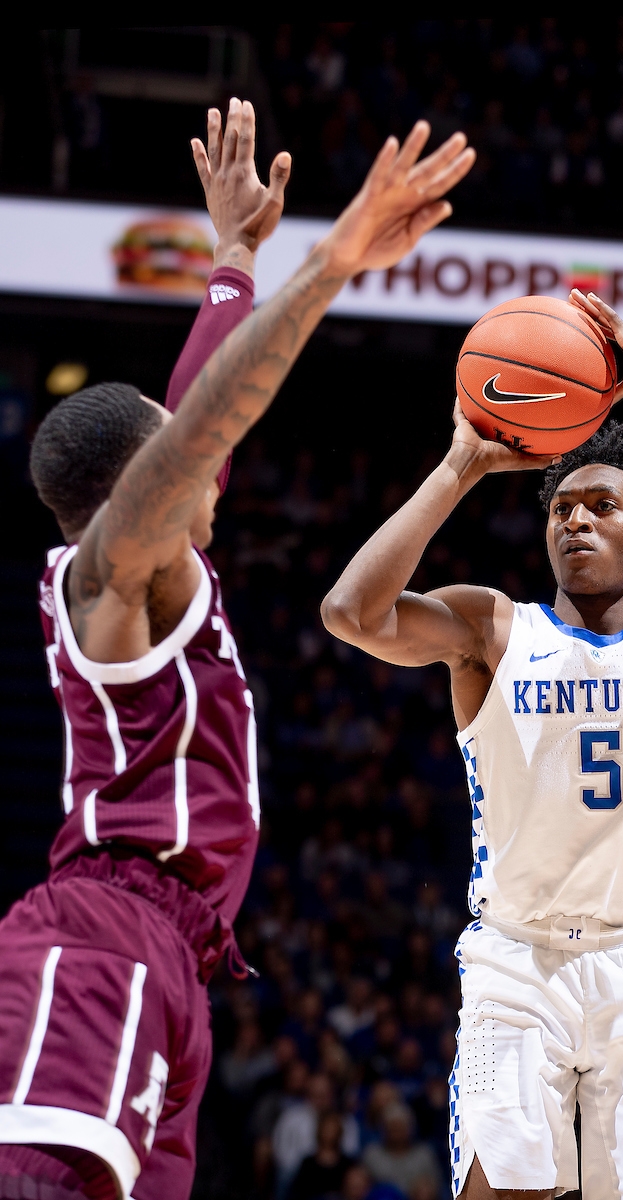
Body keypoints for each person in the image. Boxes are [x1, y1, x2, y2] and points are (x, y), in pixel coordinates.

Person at [0, 97, 475, 1200]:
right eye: (180, 461)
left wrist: (231, 259)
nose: (212, 465)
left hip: (175, 957)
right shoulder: (107, 582)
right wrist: (332, 263)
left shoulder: (160, 560)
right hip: (101, 939)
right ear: (139, 491)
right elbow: (203, 424)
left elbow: (189, 419)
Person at [321, 289, 623, 1200]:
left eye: (600, 506)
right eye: (560, 507)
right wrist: (459, 467)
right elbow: (351, 613)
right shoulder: (492, 630)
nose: (573, 518)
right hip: (515, 964)